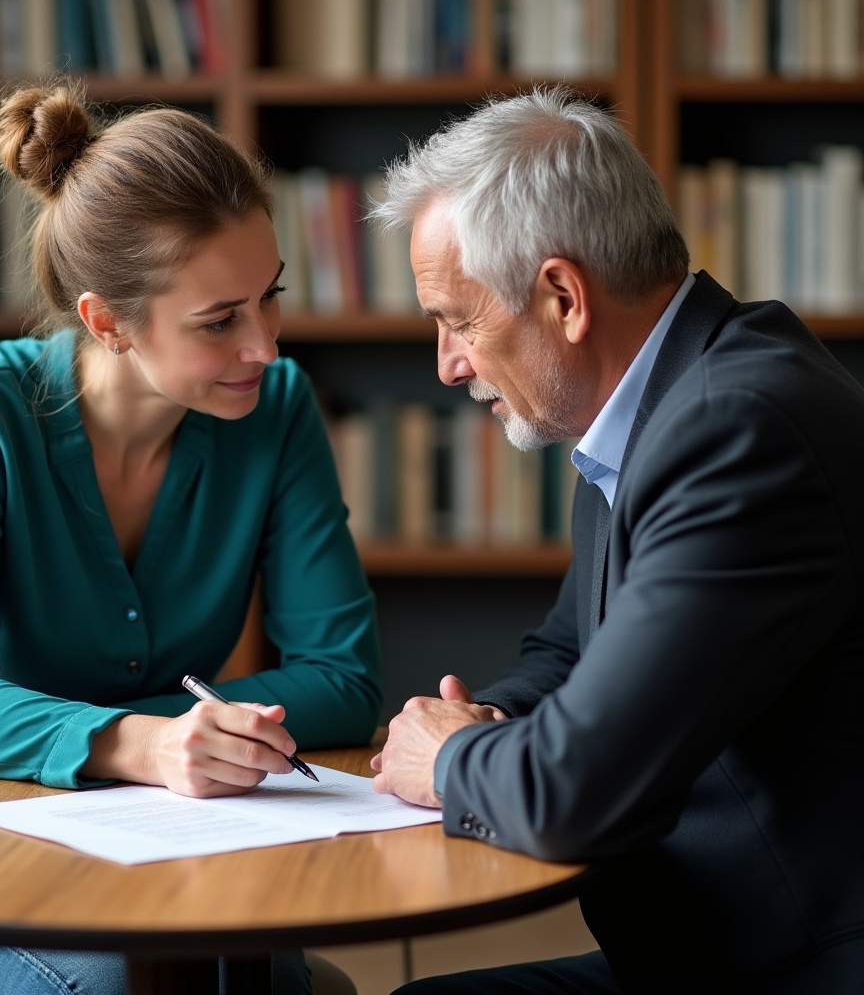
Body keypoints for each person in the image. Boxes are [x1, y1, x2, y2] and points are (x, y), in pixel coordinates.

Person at [0, 83, 382, 995]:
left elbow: (342, 679)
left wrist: (172, 744)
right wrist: (151, 746)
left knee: (268, 983)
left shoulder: (275, 411)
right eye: (220, 321)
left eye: (269, 297)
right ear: (107, 322)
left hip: (142, 834)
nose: (267, 347)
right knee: (106, 985)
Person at [369, 87, 863, 993]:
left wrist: (447, 759)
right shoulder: (660, 408)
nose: (449, 364)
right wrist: (491, 720)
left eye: (458, 319)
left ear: (562, 295)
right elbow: (569, 651)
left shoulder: (737, 429)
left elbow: (577, 795)